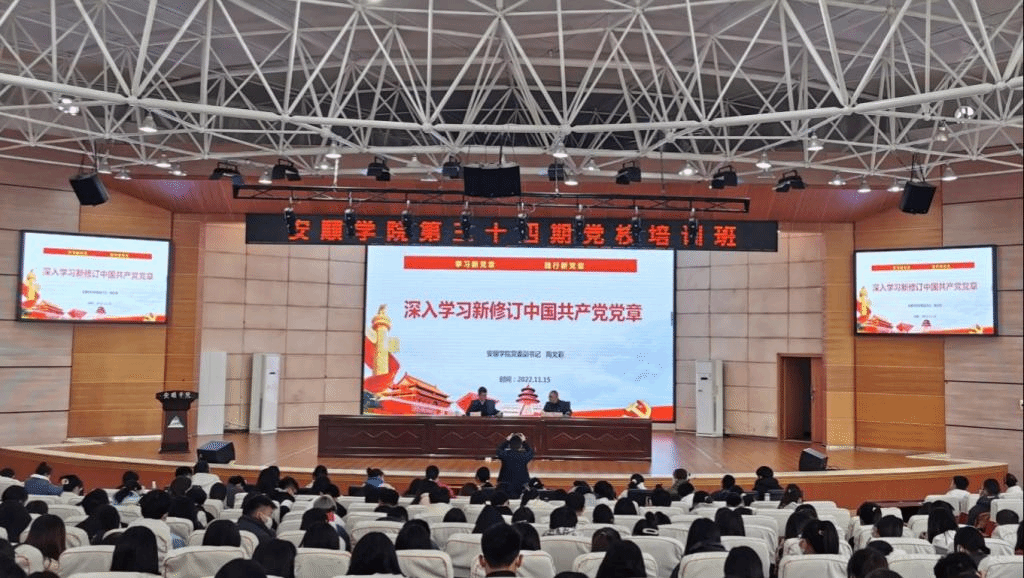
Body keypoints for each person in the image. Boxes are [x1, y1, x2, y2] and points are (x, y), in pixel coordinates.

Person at [495, 433, 533, 498]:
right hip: (521, 485)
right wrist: (524, 442)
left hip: (505, 484)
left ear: (509, 445)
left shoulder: (505, 455)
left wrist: (507, 441)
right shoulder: (524, 456)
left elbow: (498, 451)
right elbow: (531, 452)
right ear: (521, 446)